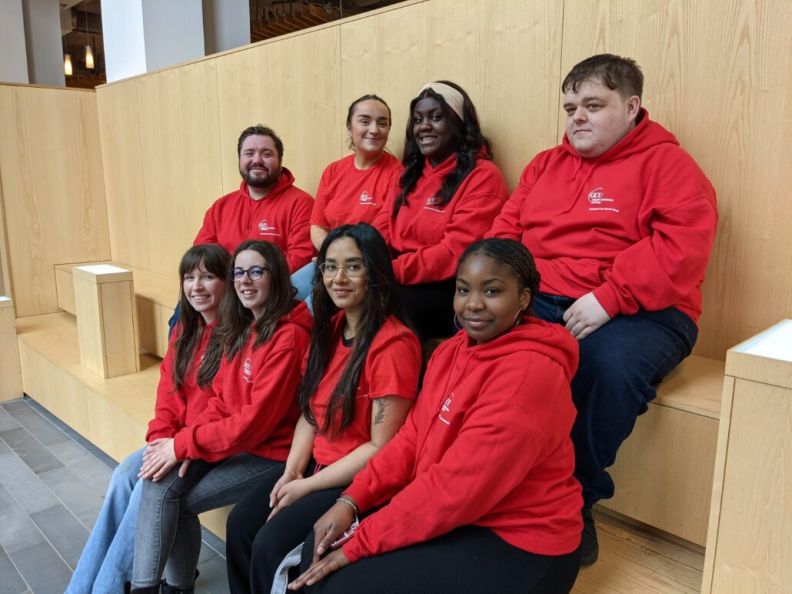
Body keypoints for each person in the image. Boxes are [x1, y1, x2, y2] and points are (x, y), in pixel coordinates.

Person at [487, 53, 718, 565]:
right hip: (544, 295)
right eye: (571, 106)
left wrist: (612, 297)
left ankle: (575, 500)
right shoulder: (545, 164)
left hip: (649, 309)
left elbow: (682, 249)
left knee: (604, 369)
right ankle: (486, 481)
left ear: (633, 107)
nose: (577, 118)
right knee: (477, 348)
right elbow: (504, 234)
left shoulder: (668, 164)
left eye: (594, 104)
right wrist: (499, 291)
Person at [290, 238, 583, 594]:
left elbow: (458, 488)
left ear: (523, 298)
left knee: (341, 582)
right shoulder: (452, 351)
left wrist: (361, 542)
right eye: (463, 290)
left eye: (492, 291)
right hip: (463, 512)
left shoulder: (529, 376)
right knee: (317, 550)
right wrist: (351, 500)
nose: (473, 304)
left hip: (520, 539)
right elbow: (411, 438)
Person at [226, 223, 421, 593]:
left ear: (376, 272)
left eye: (353, 266)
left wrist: (308, 486)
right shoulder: (330, 329)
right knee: (240, 524)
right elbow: (310, 414)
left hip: (353, 478)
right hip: (316, 467)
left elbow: (383, 447)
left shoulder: (394, 344)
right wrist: (291, 473)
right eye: (330, 266)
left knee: (269, 544)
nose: (338, 277)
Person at [129, 241, 312, 594]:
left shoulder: (288, 337)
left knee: (171, 497)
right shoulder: (246, 327)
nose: (245, 280)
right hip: (238, 442)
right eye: (239, 272)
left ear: (276, 276)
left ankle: (157, 588)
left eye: (256, 271)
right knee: (158, 480)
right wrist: (185, 443)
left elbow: (253, 424)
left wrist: (185, 444)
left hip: (271, 453)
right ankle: (172, 588)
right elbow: (221, 401)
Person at [65, 244, 230, 594]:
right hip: (179, 440)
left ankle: (108, 588)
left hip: (214, 444)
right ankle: (81, 587)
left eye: (208, 277)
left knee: (150, 487)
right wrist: (160, 439)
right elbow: (168, 394)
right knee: (125, 474)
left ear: (227, 283)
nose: (196, 286)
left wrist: (180, 446)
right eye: (189, 277)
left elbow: (225, 409)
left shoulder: (238, 334)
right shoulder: (186, 328)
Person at [372, 81, 509, 340]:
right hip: (397, 272)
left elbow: (453, 253)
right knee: (333, 290)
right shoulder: (407, 173)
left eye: (436, 117)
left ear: (460, 124)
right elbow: (382, 226)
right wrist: (359, 256)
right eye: (418, 119)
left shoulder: (482, 176)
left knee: (374, 306)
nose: (424, 126)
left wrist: (387, 270)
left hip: (446, 285)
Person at [292, 95, 402, 307]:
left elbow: (380, 233)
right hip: (330, 260)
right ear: (349, 127)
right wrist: (332, 258)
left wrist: (335, 261)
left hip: (365, 266)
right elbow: (317, 226)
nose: (374, 129)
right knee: (280, 296)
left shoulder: (397, 174)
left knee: (308, 310)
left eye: (382, 123)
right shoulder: (334, 171)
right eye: (365, 121)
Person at [195, 125, 314, 273]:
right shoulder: (220, 207)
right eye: (249, 153)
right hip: (226, 292)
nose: (257, 160)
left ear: (280, 160)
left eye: (267, 154)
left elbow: (300, 260)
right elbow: (203, 256)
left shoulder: (301, 204)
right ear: (239, 159)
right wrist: (233, 285)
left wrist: (251, 282)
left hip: (277, 292)